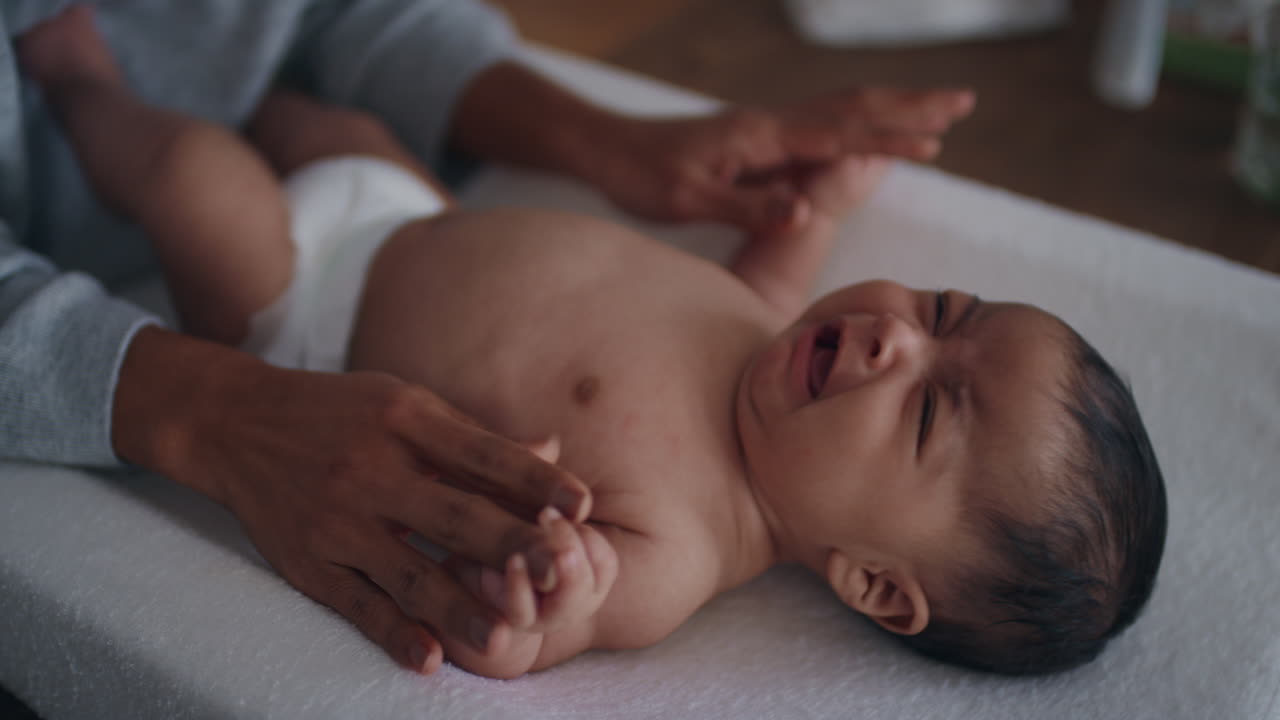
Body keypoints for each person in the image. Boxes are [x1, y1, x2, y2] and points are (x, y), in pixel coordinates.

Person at [19, 6, 1167, 679]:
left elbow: (547, 620)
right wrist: (812, 205)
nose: (890, 341)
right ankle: (226, 87)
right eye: (940, 312)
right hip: (404, 210)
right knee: (319, 114)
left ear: (872, 582)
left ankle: (74, 84)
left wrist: (541, 595)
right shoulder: (774, 340)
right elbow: (766, 265)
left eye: (924, 408)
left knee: (188, 175)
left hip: (297, 310)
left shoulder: (672, 553)